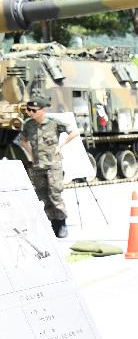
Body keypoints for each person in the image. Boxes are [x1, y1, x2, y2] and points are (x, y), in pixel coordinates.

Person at [19, 95, 80, 238]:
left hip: (53, 166)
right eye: (29, 110)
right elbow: (24, 141)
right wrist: (31, 154)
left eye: (33, 110)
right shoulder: (28, 125)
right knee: (44, 197)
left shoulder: (53, 123)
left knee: (55, 195)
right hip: (38, 167)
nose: (30, 113)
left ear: (42, 110)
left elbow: (74, 132)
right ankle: (53, 225)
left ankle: (62, 224)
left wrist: (61, 145)